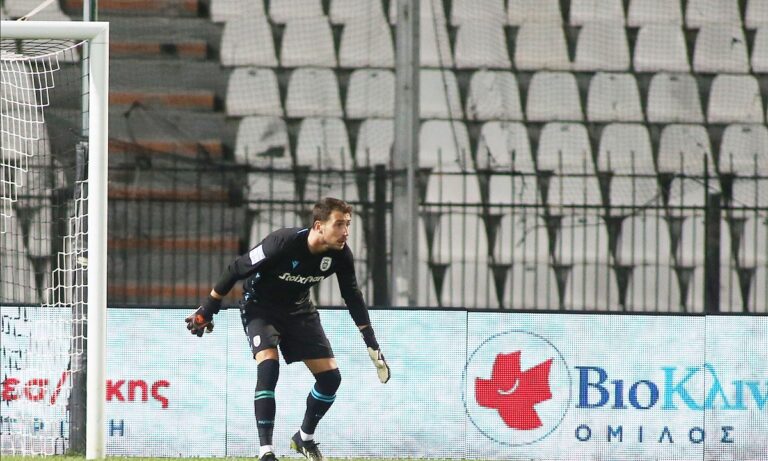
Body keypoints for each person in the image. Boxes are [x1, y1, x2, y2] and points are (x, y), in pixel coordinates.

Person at [185, 197, 390, 461]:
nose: (346, 232)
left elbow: (352, 297)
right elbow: (236, 269)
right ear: (319, 226)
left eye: (348, 224)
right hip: (260, 307)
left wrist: (371, 342)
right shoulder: (282, 242)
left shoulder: (341, 255)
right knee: (269, 367)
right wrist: (207, 309)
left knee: (331, 379)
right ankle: (266, 451)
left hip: (298, 310)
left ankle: (304, 438)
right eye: (339, 224)